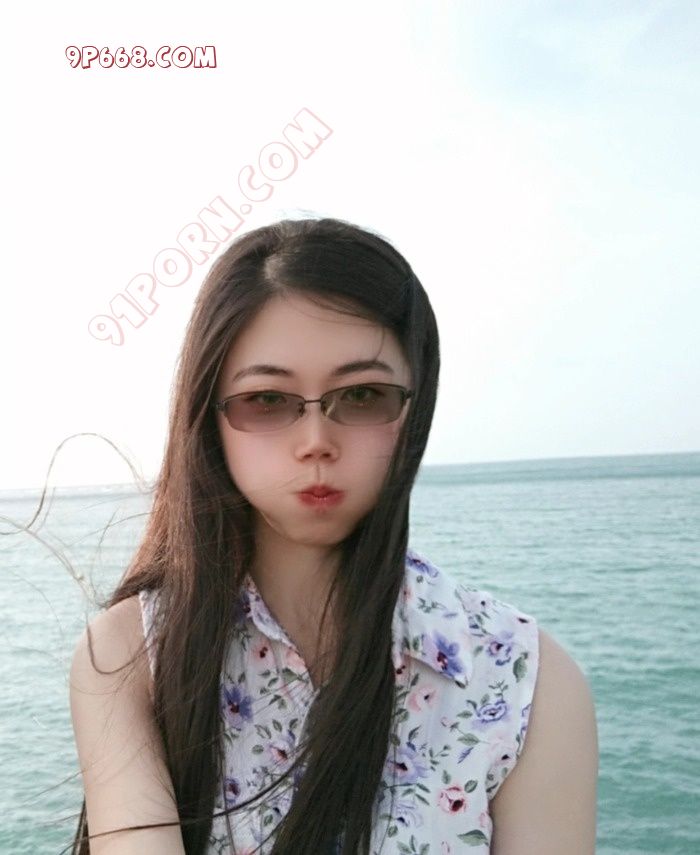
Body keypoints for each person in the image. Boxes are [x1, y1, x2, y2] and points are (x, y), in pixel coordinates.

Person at [68, 216, 598, 854]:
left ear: (415, 406)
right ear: (209, 418)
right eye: (267, 400)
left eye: (364, 395)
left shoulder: (524, 679)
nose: (316, 441)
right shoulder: (130, 658)